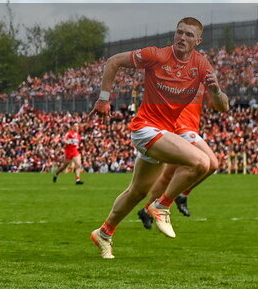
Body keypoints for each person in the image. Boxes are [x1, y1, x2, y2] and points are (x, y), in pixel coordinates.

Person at [89, 17, 229, 259]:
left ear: (198, 40)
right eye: (179, 32)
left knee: (137, 192)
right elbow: (113, 62)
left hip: (164, 132)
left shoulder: (201, 64)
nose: (182, 38)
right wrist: (103, 98)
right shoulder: (156, 55)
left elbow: (222, 107)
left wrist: (216, 90)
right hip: (146, 129)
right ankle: (162, 205)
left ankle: (104, 233)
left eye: (188, 35)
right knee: (202, 163)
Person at [136, 89, 223, 229]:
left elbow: (215, 105)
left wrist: (216, 94)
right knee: (212, 163)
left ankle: (146, 210)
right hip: (180, 126)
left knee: (167, 177)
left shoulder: (204, 78)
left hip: (190, 127)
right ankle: (181, 195)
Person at [52, 121, 85, 185]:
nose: (77, 127)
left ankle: (77, 180)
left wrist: (80, 149)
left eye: (77, 126)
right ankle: (56, 174)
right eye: (75, 126)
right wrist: (67, 142)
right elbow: (64, 139)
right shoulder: (69, 133)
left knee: (78, 164)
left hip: (75, 151)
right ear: (72, 127)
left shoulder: (78, 135)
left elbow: (78, 144)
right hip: (68, 152)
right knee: (64, 166)